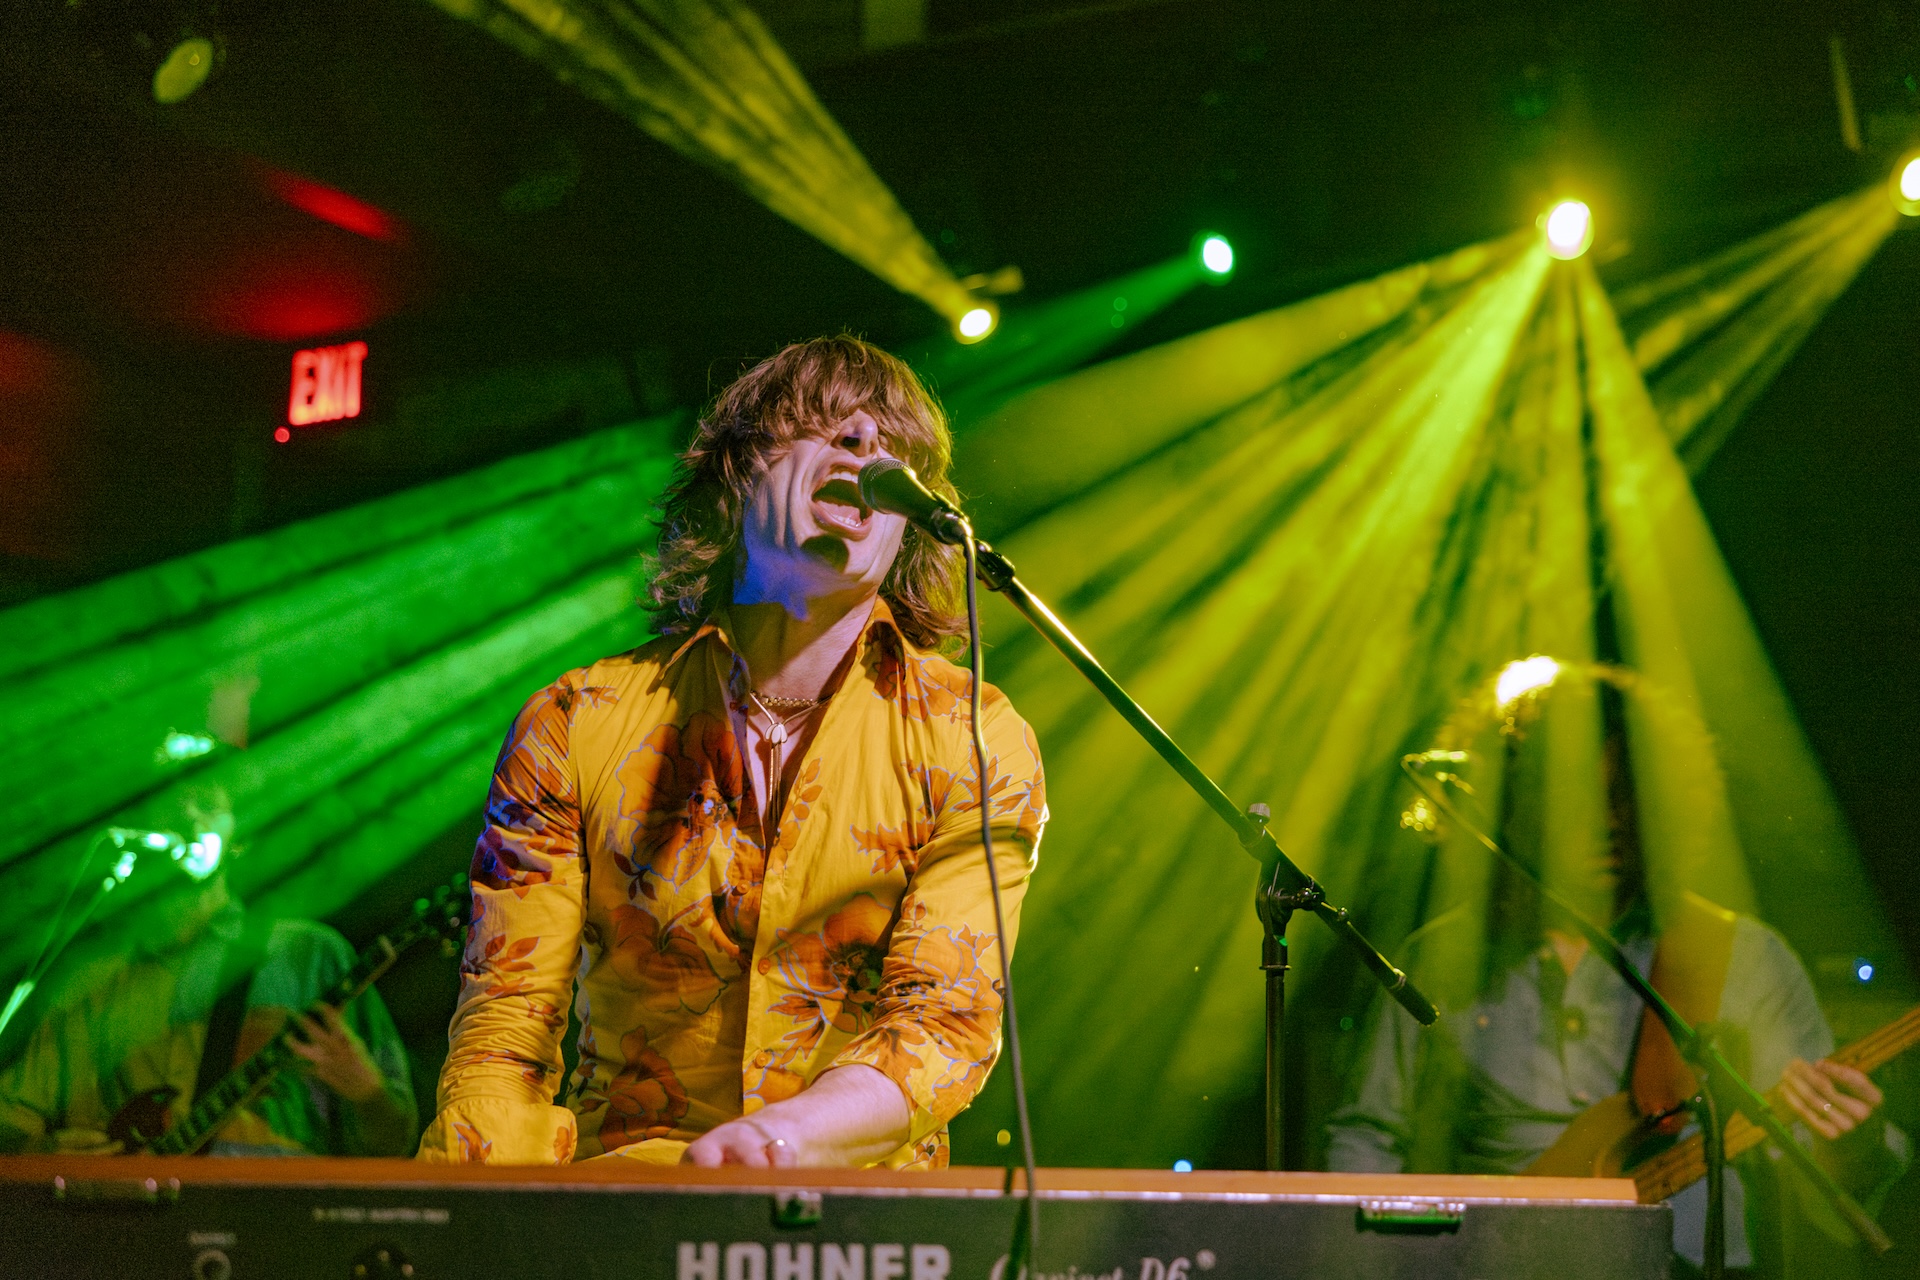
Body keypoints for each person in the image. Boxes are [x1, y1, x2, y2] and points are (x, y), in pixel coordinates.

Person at [418, 336, 1047, 1169]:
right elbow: (505, 1029)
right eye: (824, 424)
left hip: (857, 1223)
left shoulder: (974, 736)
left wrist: (777, 1142)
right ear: (736, 474)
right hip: (630, 1212)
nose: (865, 444)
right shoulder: (574, 722)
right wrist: (479, 1230)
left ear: (906, 526)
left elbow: (945, 1020)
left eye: (894, 446)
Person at [1328, 732, 1907, 1276]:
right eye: (1580, 796)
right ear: (1517, 806)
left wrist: (1853, 1143)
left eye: (1629, 797)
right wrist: (1382, 1263)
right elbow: (1368, 1137)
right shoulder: (1440, 956)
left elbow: (1816, 1168)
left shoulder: (1739, 955)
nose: (1610, 821)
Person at [0, 859, 417, 1157]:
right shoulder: (87, 981)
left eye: (206, 804)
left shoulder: (304, 953)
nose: (187, 819)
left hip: (280, 1233)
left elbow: (396, 1142)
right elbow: (11, 1124)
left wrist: (366, 1089)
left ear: (239, 840)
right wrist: (45, 1155)